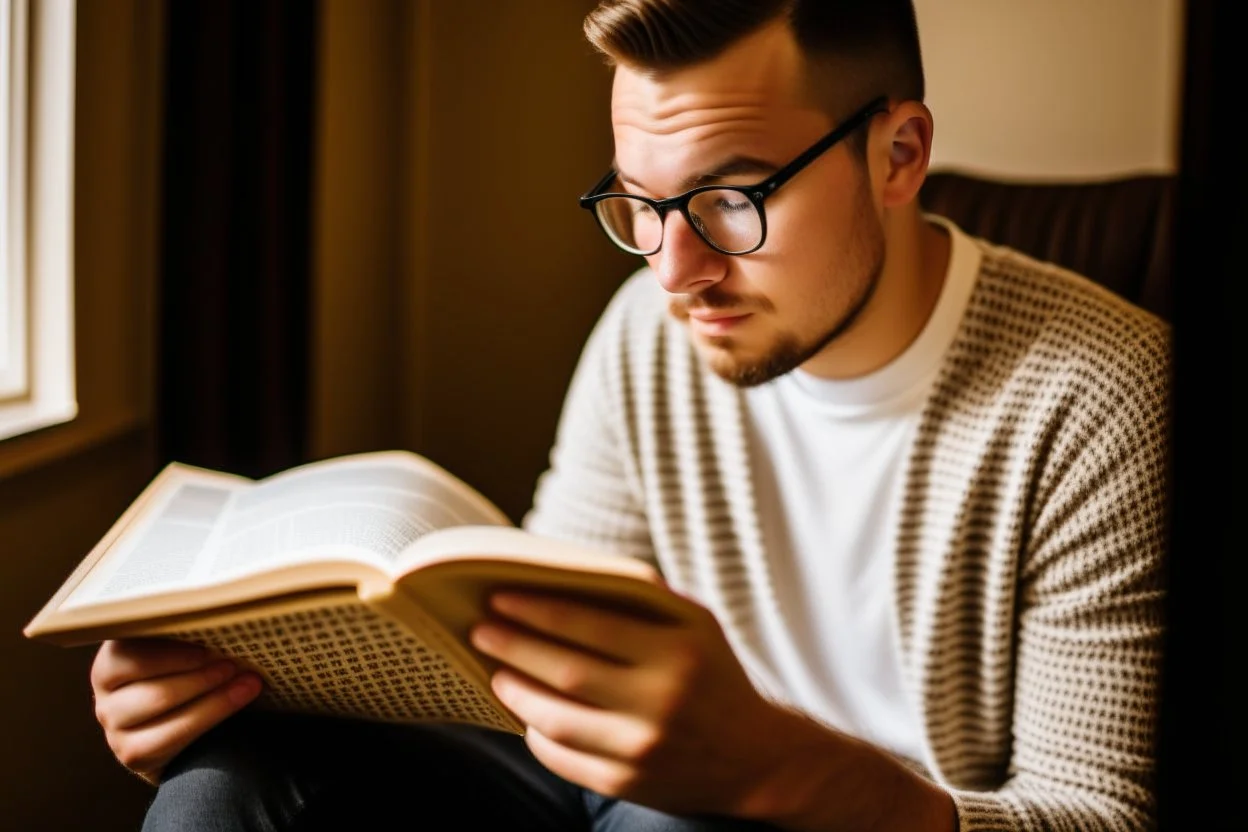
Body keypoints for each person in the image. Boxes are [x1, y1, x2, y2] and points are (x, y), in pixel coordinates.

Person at [89, 1, 1170, 829]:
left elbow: (1100, 814)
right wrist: (247, 684)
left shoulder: (1107, 394)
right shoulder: (649, 335)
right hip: (626, 798)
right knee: (233, 777)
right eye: (641, 205)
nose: (674, 268)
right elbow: (536, 672)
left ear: (898, 153)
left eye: (733, 198)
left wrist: (780, 767)